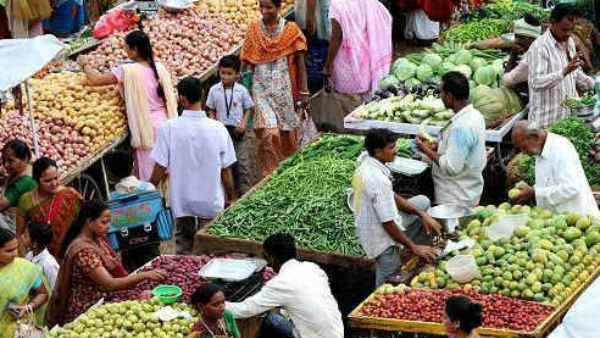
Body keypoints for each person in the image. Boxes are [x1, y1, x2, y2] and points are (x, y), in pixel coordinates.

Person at [150, 77, 236, 254]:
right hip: (211, 199)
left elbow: (159, 165)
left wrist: (150, 189)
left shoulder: (170, 128)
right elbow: (226, 170)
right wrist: (230, 197)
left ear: (181, 99)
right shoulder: (218, 128)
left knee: (184, 249)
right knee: (213, 249)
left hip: (183, 201)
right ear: (202, 95)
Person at [77, 30, 178, 181]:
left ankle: (155, 203)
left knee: (150, 176)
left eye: (127, 48)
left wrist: (84, 64)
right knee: (169, 172)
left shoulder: (127, 70)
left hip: (147, 129)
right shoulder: (159, 67)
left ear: (135, 50)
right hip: (165, 122)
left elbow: (95, 80)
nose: (125, 51)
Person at [47, 200, 167, 326]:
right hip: (90, 308)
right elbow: (109, 284)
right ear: (89, 222)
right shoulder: (84, 252)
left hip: (104, 297)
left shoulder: (97, 239)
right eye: (103, 222)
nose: (108, 226)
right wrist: (144, 275)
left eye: (109, 221)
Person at [352, 129, 441, 286]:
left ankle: (413, 249)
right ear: (378, 152)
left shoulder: (367, 163)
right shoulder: (377, 179)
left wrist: (421, 214)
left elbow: (392, 196)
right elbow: (388, 223)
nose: (395, 151)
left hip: (376, 223)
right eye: (391, 148)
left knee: (422, 202)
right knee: (389, 280)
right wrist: (414, 248)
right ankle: (378, 302)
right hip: (379, 236)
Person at [227, 233, 344, 338]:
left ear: (271, 258)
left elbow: (244, 310)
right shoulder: (312, 268)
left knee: (270, 320)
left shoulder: (281, 283)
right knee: (273, 318)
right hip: (338, 332)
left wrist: (215, 302)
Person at [240, 0, 308, 178]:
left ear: (278, 8)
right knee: (270, 132)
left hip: (284, 89)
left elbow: (300, 62)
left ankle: (289, 170)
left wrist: (304, 91)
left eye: (269, 7)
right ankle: (270, 172)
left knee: (286, 133)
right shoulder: (254, 28)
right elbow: (245, 59)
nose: (264, 11)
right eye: (261, 7)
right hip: (261, 88)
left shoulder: (290, 30)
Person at [417, 71, 486, 207]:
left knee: (455, 228)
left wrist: (426, 150)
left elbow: (451, 167)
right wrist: (440, 146)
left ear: (449, 97)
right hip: (470, 190)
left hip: (456, 198)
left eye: (441, 93)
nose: (440, 97)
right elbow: (465, 149)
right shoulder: (476, 115)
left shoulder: (461, 127)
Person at [511, 121, 600, 217]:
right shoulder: (540, 149)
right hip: (558, 219)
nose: (523, 152)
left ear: (537, 137)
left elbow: (570, 188)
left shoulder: (561, 149)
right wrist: (531, 190)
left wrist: (534, 192)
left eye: (524, 147)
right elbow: (548, 181)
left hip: (579, 217)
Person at [526, 5, 594, 129]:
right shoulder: (540, 47)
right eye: (564, 29)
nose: (568, 34)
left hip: (567, 118)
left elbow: (574, 73)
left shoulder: (569, 42)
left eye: (571, 30)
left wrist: (593, 83)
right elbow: (536, 82)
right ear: (552, 23)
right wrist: (563, 72)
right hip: (546, 122)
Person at [207, 55, 255, 196]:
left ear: (237, 75)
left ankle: (246, 193)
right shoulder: (214, 90)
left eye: (229, 74)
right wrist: (214, 122)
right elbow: (210, 109)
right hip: (222, 131)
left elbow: (248, 108)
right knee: (225, 164)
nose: (225, 77)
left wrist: (243, 124)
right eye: (223, 73)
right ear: (218, 72)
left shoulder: (241, 90)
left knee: (242, 163)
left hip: (237, 131)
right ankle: (229, 195)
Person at [16, 157, 83, 258]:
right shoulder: (27, 201)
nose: (54, 184)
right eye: (47, 181)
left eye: (56, 178)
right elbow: (19, 235)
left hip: (73, 252)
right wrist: (23, 262)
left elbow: (87, 221)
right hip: (44, 257)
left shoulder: (69, 195)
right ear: (36, 180)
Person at [323, 0, 392, 97]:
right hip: (366, 58)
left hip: (347, 64)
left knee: (349, 99)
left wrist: (328, 64)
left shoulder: (337, 4)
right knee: (365, 94)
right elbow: (385, 17)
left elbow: (337, 36)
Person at [106, 149, 160, 272]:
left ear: (112, 174)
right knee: (154, 267)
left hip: (128, 244)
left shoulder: (112, 198)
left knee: (133, 275)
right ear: (133, 166)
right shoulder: (149, 188)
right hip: (151, 239)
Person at [0, 228, 51, 338]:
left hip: (16, 331)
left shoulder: (25, 268)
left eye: (16, 248)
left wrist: (28, 307)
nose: (15, 253)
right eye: (9, 251)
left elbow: (43, 294)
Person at [503, 15, 543, 100]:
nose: (516, 40)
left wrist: (513, 55)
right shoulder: (541, 46)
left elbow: (506, 81)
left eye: (520, 37)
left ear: (532, 39)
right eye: (516, 36)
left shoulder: (530, 59)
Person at [0, 140, 36, 232]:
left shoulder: (26, 182)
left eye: (11, 161)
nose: (6, 165)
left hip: (17, 229)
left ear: (25, 159)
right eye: (4, 160)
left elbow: (1, 205)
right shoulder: (24, 169)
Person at [25, 222, 59, 290]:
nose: (23, 238)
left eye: (26, 236)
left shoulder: (49, 266)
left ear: (35, 243)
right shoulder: (30, 254)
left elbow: (53, 291)